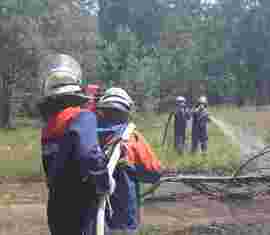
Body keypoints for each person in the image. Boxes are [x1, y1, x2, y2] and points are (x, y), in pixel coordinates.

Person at [37, 54, 115, 235]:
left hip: (57, 208)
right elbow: (89, 156)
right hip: (81, 210)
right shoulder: (81, 117)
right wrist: (105, 182)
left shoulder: (49, 127)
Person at [96, 87, 163, 235]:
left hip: (93, 219)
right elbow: (155, 172)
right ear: (126, 111)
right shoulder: (131, 138)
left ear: (103, 110)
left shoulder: (88, 137)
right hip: (124, 221)